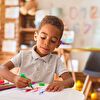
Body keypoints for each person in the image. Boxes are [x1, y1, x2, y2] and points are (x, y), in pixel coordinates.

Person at [0, 15, 74, 92]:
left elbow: (70, 81)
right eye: (43, 37)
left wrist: (62, 84)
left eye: (53, 41)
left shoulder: (56, 60)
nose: (46, 43)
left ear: (58, 44)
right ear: (36, 36)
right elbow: (2, 68)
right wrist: (14, 78)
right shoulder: (23, 55)